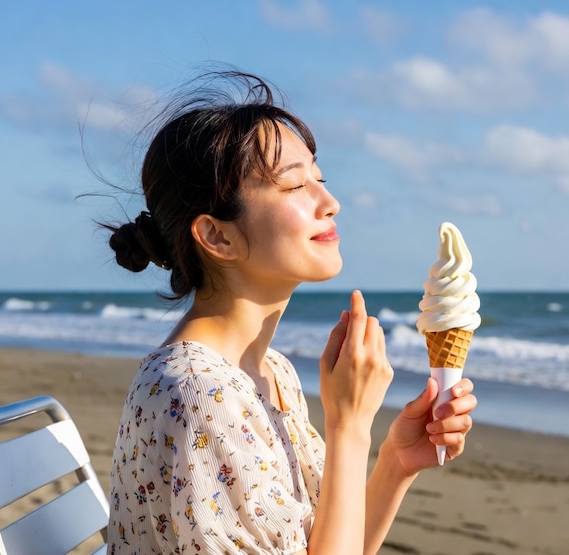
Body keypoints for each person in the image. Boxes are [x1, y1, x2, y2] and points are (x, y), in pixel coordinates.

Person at [103, 71, 477, 555]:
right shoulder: (199, 393)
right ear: (217, 236)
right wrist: (349, 425)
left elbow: (327, 545)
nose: (330, 202)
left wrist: (395, 463)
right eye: (294, 186)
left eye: (319, 179)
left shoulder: (268, 369)